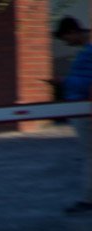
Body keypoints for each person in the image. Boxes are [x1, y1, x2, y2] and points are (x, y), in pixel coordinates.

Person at [54, 16, 92, 215]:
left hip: (83, 110)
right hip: (81, 108)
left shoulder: (90, 51)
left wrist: (64, 82)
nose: (67, 43)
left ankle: (88, 199)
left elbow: (86, 82)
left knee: (89, 155)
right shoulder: (87, 50)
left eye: (66, 38)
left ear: (72, 32)